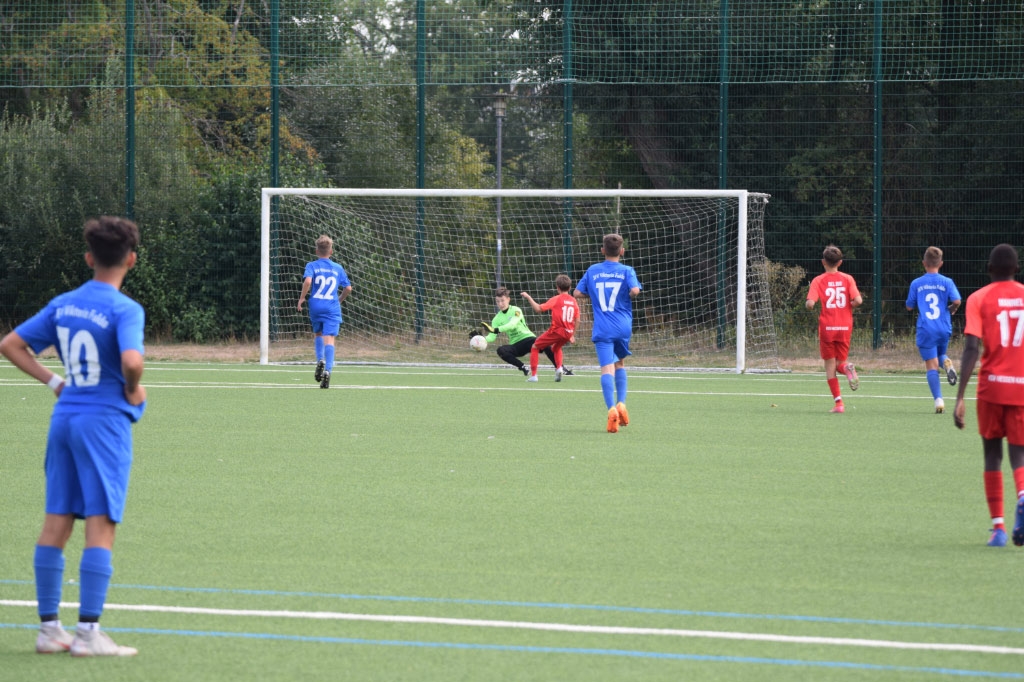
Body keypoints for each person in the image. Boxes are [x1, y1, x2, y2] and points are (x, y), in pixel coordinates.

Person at [0, 216, 146, 657]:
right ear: (131, 260)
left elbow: (10, 344)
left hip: (64, 417)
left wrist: (54, 382)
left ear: (88, 258)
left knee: (56, 521)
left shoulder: (64, 303)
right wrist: (133, 387)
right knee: (101, 524)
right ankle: (87, 634)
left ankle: (49, 630)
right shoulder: (125, 309)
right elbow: (132, 361)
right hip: (103, 422)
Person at [953, 243, 1024, 548]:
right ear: (1016, 269)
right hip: (1021, 387)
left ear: (989, 269)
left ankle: (999, 529)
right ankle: (1023, 494)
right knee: (1019, 452)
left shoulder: (979, 298)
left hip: (992, 388)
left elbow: (971, 349)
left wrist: (959, 397)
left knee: (992, 455)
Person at [573, 233, 642, 433]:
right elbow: (635, 290)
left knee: (606, 369)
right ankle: (622, 403)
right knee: (619, 363)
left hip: (603, 328)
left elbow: (576, 293)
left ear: (602, 250)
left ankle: (611, 409)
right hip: (622, 326)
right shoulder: (627, 270)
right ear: (622, 251)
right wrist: (628, 293)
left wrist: (593, 294)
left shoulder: (593, 270)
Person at [806, 244, 863, 413]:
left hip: (828, 327)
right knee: (840, 363)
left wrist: (809, 305)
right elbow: (858, 300)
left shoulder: (818, 280)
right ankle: (847, 368)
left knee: (830, 366)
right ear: (840, 262)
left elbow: (810, 304)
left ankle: (839, 404)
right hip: (845, 326)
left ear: (823, 262)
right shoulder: (848, 278)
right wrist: (849, 305)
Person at [906, 246, 962, 413]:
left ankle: (939, 400)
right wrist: (952, 308)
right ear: (941, 263)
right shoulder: (947, 282)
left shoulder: (917, 283)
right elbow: (957, 301)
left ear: (924, 263)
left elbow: (909, 306)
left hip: (926, 328)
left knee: (931, 365)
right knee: (940, 355)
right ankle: (947, 364)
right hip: (944, 327)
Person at [297, 234, 352, 389]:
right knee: (330, 339)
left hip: (315, 305)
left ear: (317, 251)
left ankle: (320, 359)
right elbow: (348, 288)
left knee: (318, 334)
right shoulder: (338, 268)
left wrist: (302, 298)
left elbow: (308, 281)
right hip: (331, 307)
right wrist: (339, 299)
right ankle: (327, 370)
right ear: (331, 252)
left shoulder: (312, 265)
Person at [474, 287, 567, 377]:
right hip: (516, 345)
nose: (500, 304)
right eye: (497, 301)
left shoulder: (516, 310)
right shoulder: (496, 319)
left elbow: (512, 324)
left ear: (508, 299)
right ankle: (523, 367)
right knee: (501, 350)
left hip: (528, 339)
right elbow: (492, 337)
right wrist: (481, 338)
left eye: (502, 300)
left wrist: (496, 330)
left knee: (546, 344)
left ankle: (561, 368)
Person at [521, 274, 579, 383]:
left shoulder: (556, 299)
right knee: (556, 348)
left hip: (557, 331)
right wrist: (572, 335)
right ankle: (559, 368)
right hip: (568, 332)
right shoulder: (573, 301)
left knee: (535, 346)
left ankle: (534, 376)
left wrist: (528, 297)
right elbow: (578, 319)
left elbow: (538, 309)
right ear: (570, 288)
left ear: (557, 287)